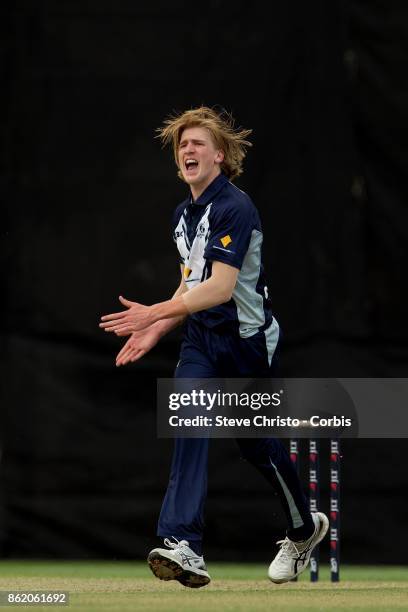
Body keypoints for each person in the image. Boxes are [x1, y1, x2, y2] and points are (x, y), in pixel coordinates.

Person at [99, 106, 328, 588]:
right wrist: (160, 327)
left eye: (198, 143)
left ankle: (304, 531)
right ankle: (185, 544)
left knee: (257, 446)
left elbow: (222, 287)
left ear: (220, 156)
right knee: (190, 423)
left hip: (247, 345)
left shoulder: (236, 207)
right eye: (182, 145)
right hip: (201, 343)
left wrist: (153, 313)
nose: (188, 150)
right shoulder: (184, 214)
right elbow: (191, 283)